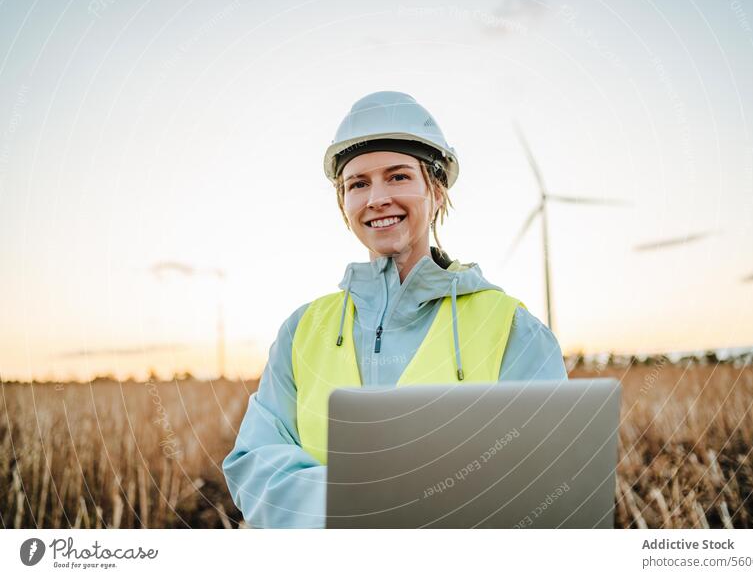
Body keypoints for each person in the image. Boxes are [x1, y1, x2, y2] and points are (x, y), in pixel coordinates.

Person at [222, 91, 568, 528]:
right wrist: (354, 511)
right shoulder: (301, 330)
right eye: (358, 184)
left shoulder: (513, 328)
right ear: (344, 204)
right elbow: (257, 460)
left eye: (398, 176)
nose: (377, 198)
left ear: (436, 191)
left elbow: (547, 478)